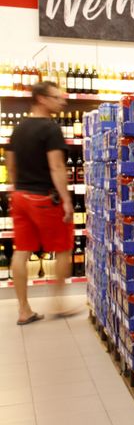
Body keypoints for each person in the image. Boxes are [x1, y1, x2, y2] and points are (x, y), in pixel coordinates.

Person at [7, 81, 74, 325]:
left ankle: (24, 310)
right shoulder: (50, 129)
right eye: (57, 97)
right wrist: (66, 200)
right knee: (64, 248)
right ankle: (58, 304)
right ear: (42, 99)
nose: (62, 101)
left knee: (21, 251)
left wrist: (20, 187)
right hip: (44, 199)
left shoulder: (19, 128)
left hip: (20, 196)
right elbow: (56, 166)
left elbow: (10, 165)